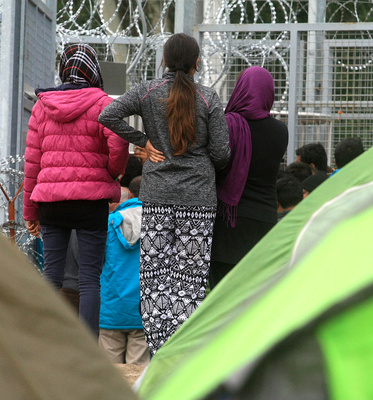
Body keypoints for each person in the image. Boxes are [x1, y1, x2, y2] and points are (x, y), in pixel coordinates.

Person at [98, 33, 231, 355]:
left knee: (156, 277)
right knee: (190, 278)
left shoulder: (147, 91)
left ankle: (159, 352)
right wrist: (201, 164)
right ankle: (185, 354)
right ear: (197, 62)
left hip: (156, 196)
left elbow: (108, 115)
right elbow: (223, 153)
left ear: (164, 61)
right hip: (198, 200)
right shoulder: (210, 98)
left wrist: (143, 141)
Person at [23, 44, 129, 336]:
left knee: (52, 276)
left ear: (64, 69)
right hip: (91, 202)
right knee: (89, 280)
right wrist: (111, 175)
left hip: (52, 203)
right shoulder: (103, 104)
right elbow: (119, 144)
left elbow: (32, 162)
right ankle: (89, 357)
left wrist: (30, 212)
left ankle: (48, 348)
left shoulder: (42, 105)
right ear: (93, 70)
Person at [209, 66, 289, 289]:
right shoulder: (280, 131)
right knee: (254, 295)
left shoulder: (225, 125)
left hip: (226, 222)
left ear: (240, 89)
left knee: (222, 295)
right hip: (263, 220)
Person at [99, 178, 150, 366]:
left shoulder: (109, 223)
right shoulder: (159, 226)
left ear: (130, 195)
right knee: (137, 378)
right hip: (143, 310)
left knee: (108, 377)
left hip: (110, 310)